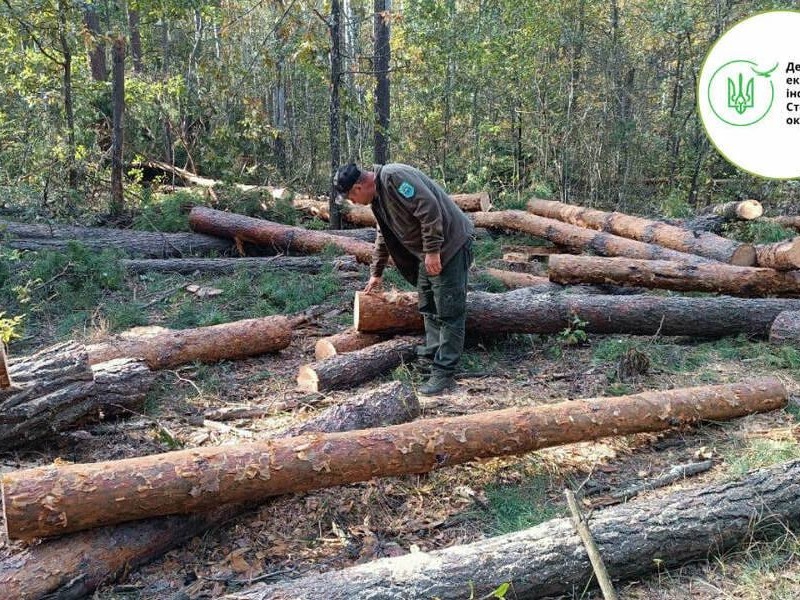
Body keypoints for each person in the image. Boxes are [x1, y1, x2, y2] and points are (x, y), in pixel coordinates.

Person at [334, 162, 474, 395]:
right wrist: (376, 273)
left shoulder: (394, 178)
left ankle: (444, 374)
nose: (354, 203)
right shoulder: (378, 200)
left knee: (449, 311)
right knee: (428, 306)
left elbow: (429, 208)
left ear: (359, 187)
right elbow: (383, 235)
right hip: (429, 252)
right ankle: (431, 359)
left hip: (450, 246)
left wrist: (432, 250)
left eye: (351, 197)